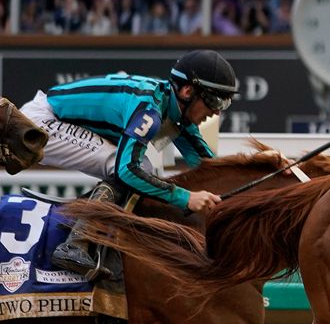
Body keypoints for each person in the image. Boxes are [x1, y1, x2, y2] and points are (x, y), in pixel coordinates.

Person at [19, 50, 236, 279]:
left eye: (225, 102)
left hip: (56, 117)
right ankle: (76, 243)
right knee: (131, 167)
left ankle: (91, 229)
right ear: (188, 91)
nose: (216, 111)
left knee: (143, 168)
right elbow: (127, 171)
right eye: (214, 100)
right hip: (41, 122)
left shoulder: (175, 112)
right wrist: (186, 197)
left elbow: (211, 168)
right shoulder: (149, 110)